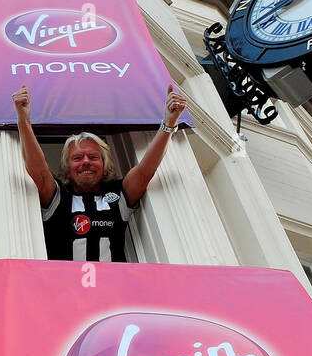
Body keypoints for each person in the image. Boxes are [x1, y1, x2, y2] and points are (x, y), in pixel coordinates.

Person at [13, 82, 187, 262]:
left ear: (104, 165)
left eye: (93, 157)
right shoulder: (59, 197)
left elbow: (145, 170)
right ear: (67, 167)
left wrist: (169, 123)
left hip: (112, 288)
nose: (86, 162)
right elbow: (38, 170)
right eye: (77, 158)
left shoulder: (116, 195)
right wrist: (23, 120)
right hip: (63, 287)